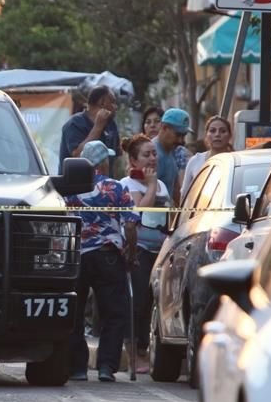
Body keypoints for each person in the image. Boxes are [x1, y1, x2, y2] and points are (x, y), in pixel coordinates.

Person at [64, 140, 140, 383]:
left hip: (76, 255)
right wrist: (131, 254)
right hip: (107, 255)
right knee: (113, 313)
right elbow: (129, 224)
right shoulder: (116, 188)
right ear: (102, 162)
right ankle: (107, 366)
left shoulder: (69, 188)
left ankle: (77, 367)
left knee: (74, 313)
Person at [119, 135, 171, 373]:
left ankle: (147, 347)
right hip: (138, 248)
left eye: (153, 153)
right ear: (133, 160)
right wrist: (150, 185)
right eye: (146, 155)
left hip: (160, 249)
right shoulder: (128, 185)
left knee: (153, 301)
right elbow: (138, 213)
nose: (152, 158)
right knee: (137, 302)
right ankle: (134, 351)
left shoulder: (162, 185)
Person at [59, 85, 121, 170]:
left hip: (104, 181)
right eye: (112, 102)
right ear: (102, 102)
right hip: (76, 182)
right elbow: (78, 155)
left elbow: (116, 156)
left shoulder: (111, 125)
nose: (115, 107)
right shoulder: (74, 124)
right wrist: (98, 127)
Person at [180, 116, 233, 202]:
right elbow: (184, 196)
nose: (217, 134)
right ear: (206, 135)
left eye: (222, 131)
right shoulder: (195, 161)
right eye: (212, 131)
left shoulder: (235, 161)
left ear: (230, 136)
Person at [153, 108, 190, 206]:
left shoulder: (170, 151)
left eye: (183, 136)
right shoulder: (152, 156)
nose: (181, 141)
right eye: (178, 135)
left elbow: (175, 190)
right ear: (164, 127)